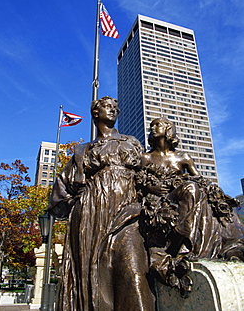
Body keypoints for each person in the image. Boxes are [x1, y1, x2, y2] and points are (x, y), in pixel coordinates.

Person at [48, 96, 155, 311]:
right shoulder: (82, 151)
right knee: (96, 276)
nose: (114, 110)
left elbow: (148, 174)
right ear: (95, 113)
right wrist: (77, 203)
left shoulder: (131, 142)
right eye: (108, 106)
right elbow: (60, 189)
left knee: (134, 273)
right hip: (91, 217)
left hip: (128, 212)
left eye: (116, 107)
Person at [138, 117, 244, 262]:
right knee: (191, 189)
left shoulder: (183, 157)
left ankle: (187, 244)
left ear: (169, 130)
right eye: (152, 126)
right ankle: (180, 243)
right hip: (161, 201)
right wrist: (151, 187)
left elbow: (200, 180)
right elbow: (137, 183)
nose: (153, 129)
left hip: (182, 195)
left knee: (196, 190)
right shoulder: (145, 158)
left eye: (158, 125)